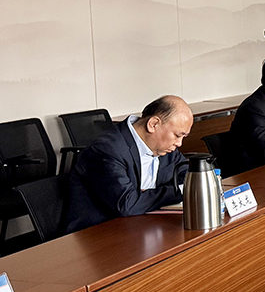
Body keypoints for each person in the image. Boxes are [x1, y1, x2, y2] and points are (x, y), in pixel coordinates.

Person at [66, 95, 193, 234]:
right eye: (177, 135)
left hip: (144, 226)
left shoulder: (165, 147)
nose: (179, 143)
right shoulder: (106, 150)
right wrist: (179, 191)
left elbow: (189, 175)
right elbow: (127, 204)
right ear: (153, 124)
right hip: (98, 234)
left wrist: (146, 196)